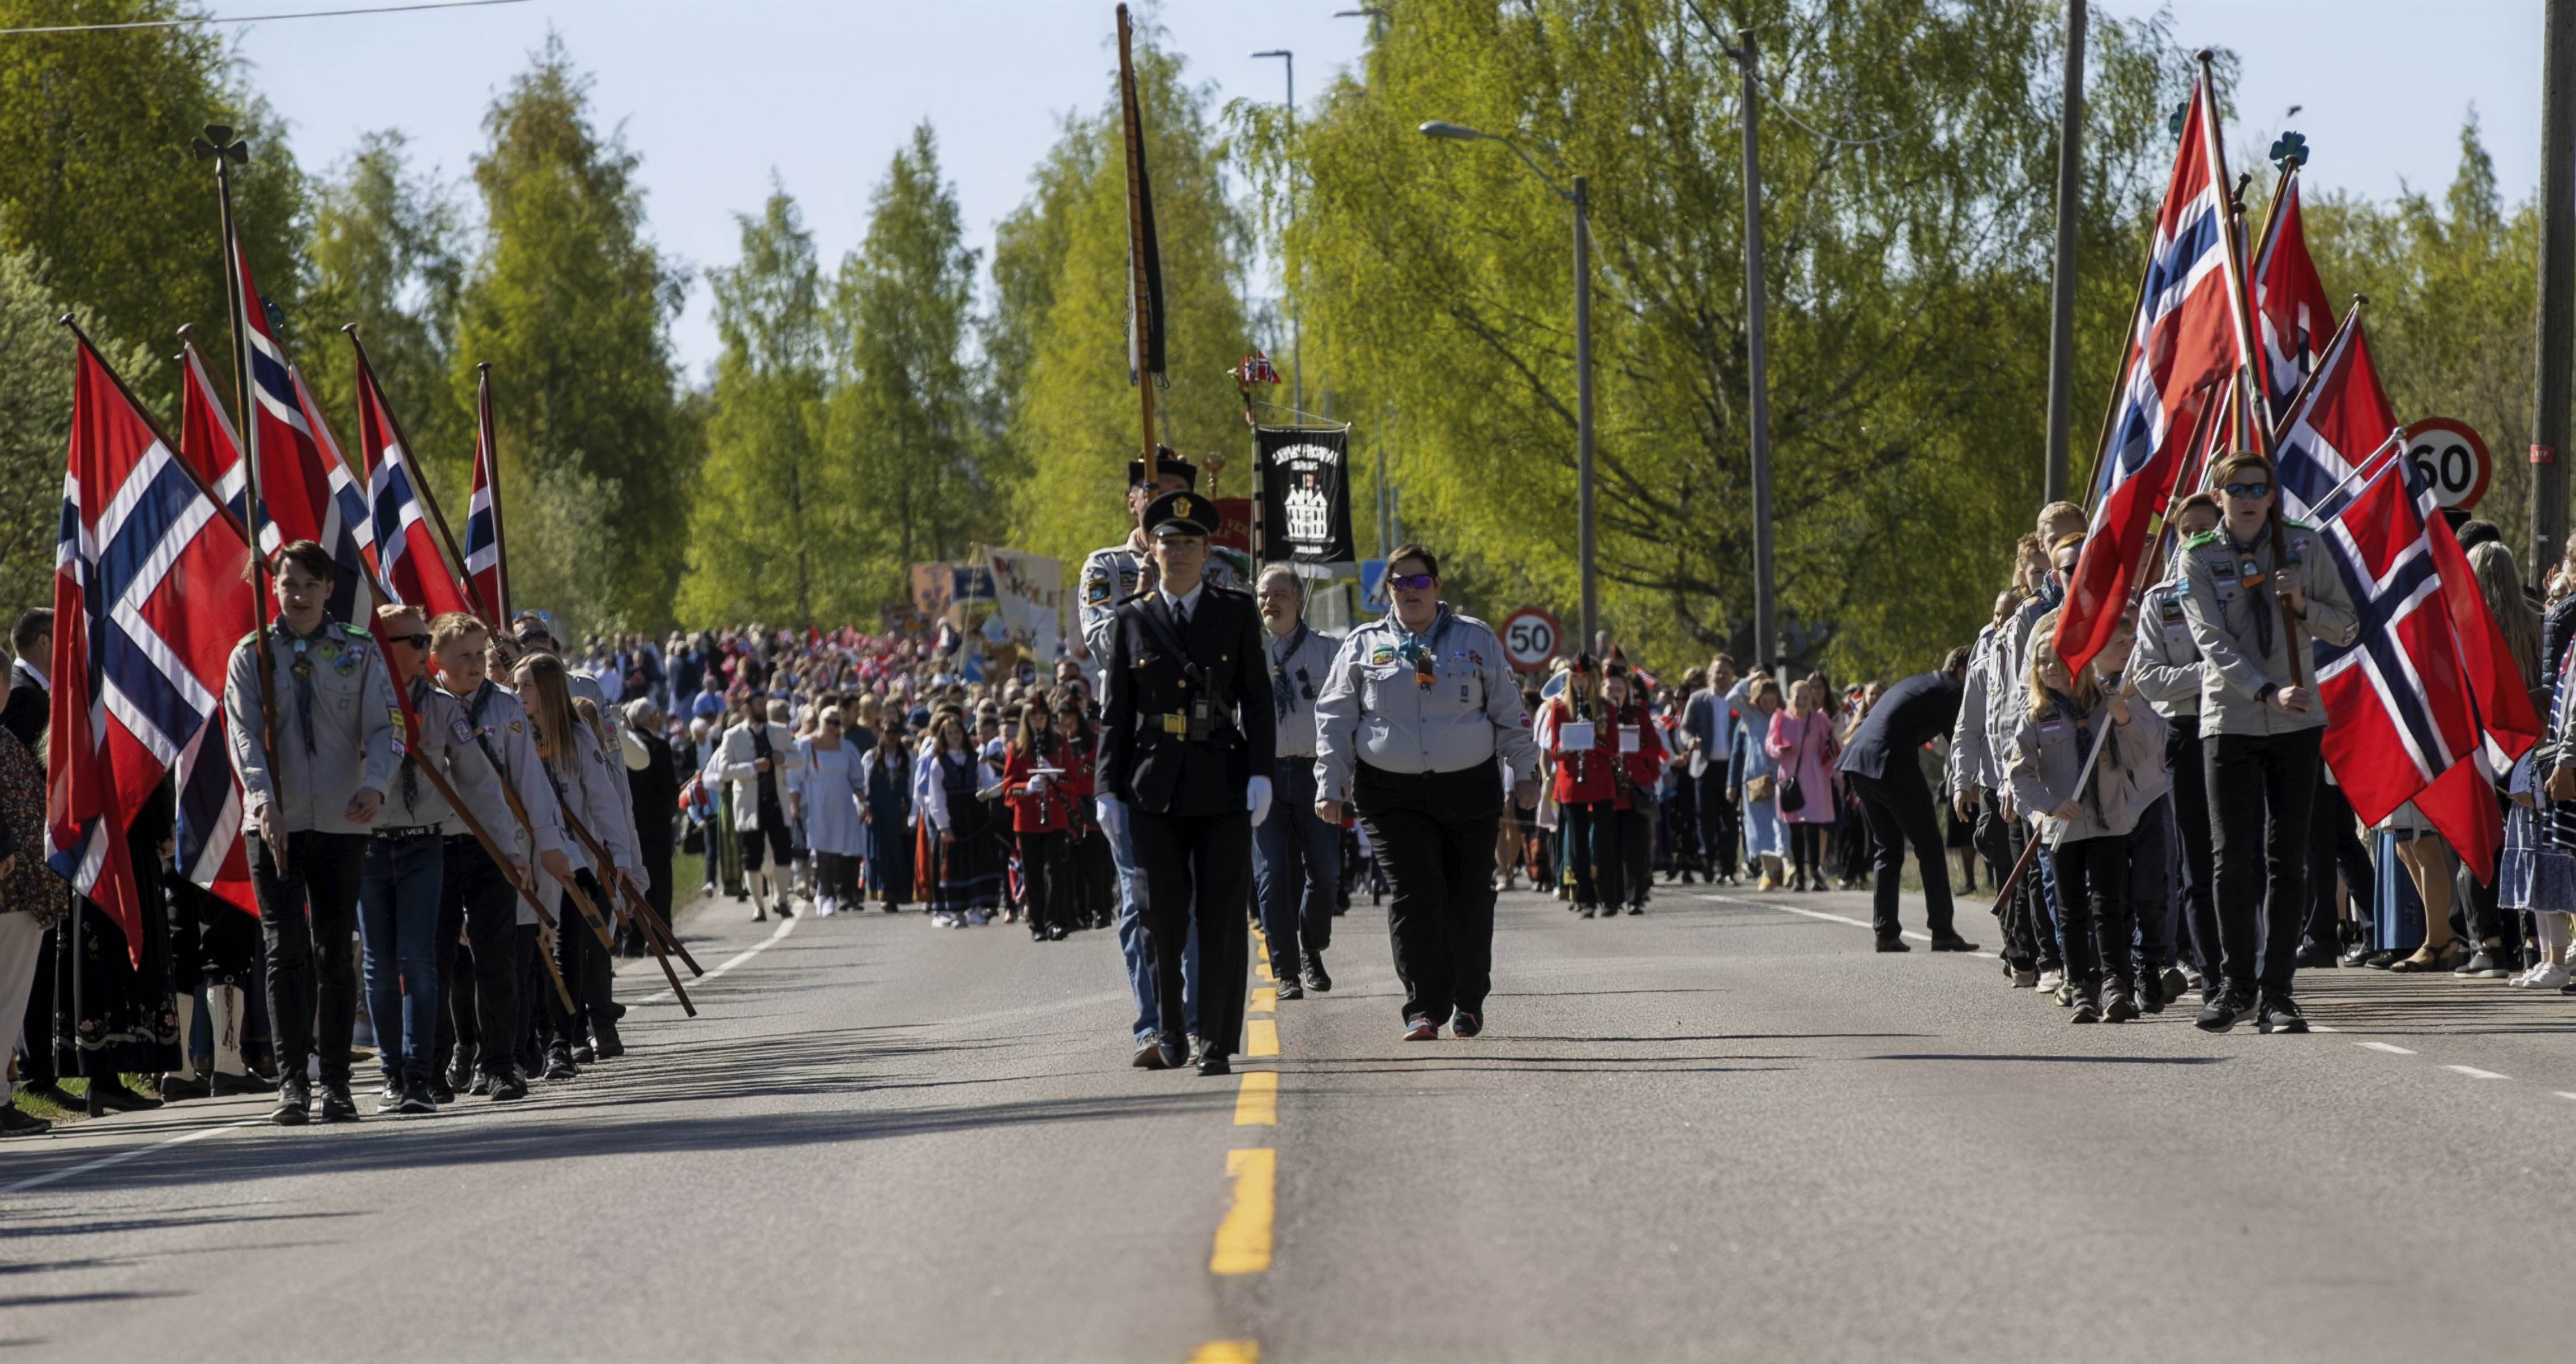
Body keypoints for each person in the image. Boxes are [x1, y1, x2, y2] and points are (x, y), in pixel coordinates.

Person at [1316, 542, 1538, 1039]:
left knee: (1468, 897)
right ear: (1388, 590)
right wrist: (1330, 784)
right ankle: (1422, 1006)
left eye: (1419, 581)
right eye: (1400, 582)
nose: (1410, 591)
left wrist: (1526, 771)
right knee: (1415, 893)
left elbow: (1509, 711)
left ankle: (1469, 999)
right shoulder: (1362, 644)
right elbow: (1334, 718)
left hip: (1469, 788)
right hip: (1389, 792)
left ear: (1437, 585)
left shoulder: (1476, 639)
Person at [2180, 450, 2359, 1034]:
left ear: (2273, 495)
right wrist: (2265, 691)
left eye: (2259, 488)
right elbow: (2211, 641)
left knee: (2290, 860)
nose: (2250, 499)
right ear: (2219, 497)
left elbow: (2347, 624)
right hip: (2231, 718)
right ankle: (2236, 985)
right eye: (2237, 489)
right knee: (2232, 858)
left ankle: (2279, 991)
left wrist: (2303, 605)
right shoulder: (2198, 554)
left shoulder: (2303, 544)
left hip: (2297, 724)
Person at [223, 541, 399, 1125]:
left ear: (328, 589)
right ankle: (292, 1082)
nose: (298, 595)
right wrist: (263, 799)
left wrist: (376, 784)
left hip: (342, 820)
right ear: (273, 587)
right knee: (284, 951)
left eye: (308, 584)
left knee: (333, 951)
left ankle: (338, 1084)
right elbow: (243, 734)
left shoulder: (358, 649)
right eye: (288, 584)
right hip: (275, 822)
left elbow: (386, 724)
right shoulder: (252, 653)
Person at [1101, 489, 1274, 1075]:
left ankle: (1216, 1040)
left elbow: (1258, 700)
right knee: (1161, 915)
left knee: (1221, 915)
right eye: (1168, 542)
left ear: (1206, 552)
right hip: (1153, 786)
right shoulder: (1131, 618)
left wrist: (1261, 772)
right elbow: (1116, 715)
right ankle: (1171, 1028)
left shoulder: (1235, 611)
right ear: (1152, 549)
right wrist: (1106, 790)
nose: (1178, 552)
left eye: (1189, 543)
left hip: (1223, 777)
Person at [1080, 451, 1235, 1058]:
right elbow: (1101, 643)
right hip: (1138, 747)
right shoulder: (1108, 567)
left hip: (1204, 743)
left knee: (1197, 894)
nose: (1161, 502)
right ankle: (1153, 1023)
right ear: (1133, 501)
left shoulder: (1216, 564)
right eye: (1151, 492)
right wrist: (1144, 596)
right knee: (1140, 895)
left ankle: (1195, 1019)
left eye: (1173, 491)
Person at [359, 604, 515, 1114]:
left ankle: (424, 1073)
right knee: (382, 967)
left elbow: (479, 781)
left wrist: (508, 849)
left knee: (423, 961)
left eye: (425, 641)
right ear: (381, 648)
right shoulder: (356, 701)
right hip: (370, 844)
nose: (423, 650)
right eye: (412, 642)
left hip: (427, 841)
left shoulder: (443, 708)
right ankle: (396, 1072)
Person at [428, 612, 570, 1103]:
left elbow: (530, 778)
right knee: (438, 960)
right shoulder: (427, 705)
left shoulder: (505, 706)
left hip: (494, 846)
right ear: (437, 661)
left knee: (497, 957)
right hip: (440, 843)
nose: (474, 664)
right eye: (462, 656)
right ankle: (432, 1068)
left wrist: (547, 844)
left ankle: (500, 1065)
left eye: (479, 655)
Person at [2007, 617, 2169, 1022]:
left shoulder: (2105, 703)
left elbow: (2138, 756)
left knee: (2109, 905)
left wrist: (2124, 716)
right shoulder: (2036, 715)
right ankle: (2081, 985)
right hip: (2063, 827)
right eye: (2042, 662)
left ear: (2076, 662)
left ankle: (2115, 984)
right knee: (2071, 910)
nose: (2049, 667)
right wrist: (2049, 804)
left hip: (2108, 820)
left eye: (2056, 659)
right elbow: (2020, 774)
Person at [514, 653, 639, 1073]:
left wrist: (620, 857)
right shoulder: (513, 732)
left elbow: (605, 801)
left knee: (567, 951)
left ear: (549, 690)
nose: (518, 694)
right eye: (516, 686)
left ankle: (562, 1043)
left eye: (527, 686)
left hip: (574, 860)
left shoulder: (578, 736)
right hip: (524, 858)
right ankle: (528, 1041)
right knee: (529, 955)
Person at [2130, 492, 2221, 999]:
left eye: (2207, 528)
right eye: (2188, 531)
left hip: (2240, 732)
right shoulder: (2160, 600)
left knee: (2244, 858)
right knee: (2195, 863)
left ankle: (2249, 967)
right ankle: (2209, 969)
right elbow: (2148, 677)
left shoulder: (2247, 587)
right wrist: (2216, 673)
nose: (2197, 539)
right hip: (2185, 734)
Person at [1838, 649, 1980, 952]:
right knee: (1929, 846)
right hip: (1890, 762)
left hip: (1859, 761)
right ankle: (1942, 930)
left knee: (1888, 847)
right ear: (1961, 671)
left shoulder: (1923, 682)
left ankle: (1886, 932)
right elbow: (1962, 740)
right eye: (1978, 670)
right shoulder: (1952, 690)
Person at [1252, 564, 1344, 997]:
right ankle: (1287, 970)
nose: (1269, 603)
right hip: (1265, 776)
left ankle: (1312, 947)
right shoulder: (1246, 652)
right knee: (1270, 876)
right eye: (1263, 595)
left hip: (1314, 773)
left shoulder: (1328, 651)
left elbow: (1346, 716)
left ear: (1298, 600)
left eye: (1279, 595)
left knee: (1325, 873)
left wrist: (1343, 774)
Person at [716, 688, 803, 922]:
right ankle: (758, 906)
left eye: (765, 704)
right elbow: (723, 771)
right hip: (750, 803)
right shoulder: (733, 736)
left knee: (783, 851)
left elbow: (798, 757)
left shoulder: (779, 731)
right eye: (758, 705)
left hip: (776, 801)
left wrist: (783, 759)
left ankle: (781, 900)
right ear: (746, 708)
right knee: (752, 856)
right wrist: (751, 767)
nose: (763, 709)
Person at [1000, 696, 1072, 941]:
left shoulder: (1060, 744)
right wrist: (1027, 787)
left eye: (1042, 717)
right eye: (1033, 718)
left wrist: (1055, 775)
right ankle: (1038, 925)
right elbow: (1008, 789)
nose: (1038, 722)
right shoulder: (1016, 748)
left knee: (1054, 871)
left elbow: (1073, 781)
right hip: (1028, 820)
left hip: (1055, 817)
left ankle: (1056, 922)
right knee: (1032, 874)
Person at [1766, 677, 1840, 892]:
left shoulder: (1820, 719)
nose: (1801, 701)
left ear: (1812, 699)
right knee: (1796, 829)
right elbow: (1770, 743)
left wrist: (1836, 771)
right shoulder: (1781, 719)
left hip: (1816, 778)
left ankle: (1816, 874)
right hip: (1791, 779)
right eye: (1797, 697)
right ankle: (1800, 876)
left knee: (1813, 828)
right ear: (1790, 698)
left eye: (1806, 698)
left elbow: (1830, 746)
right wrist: (1779, 750)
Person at [1605, 664, 1666, 914]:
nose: (1615, 693)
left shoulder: (1638, 715)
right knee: (1610, 846)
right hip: (1606, 790)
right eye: (1610, 689)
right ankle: (1613, 896)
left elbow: (1656, 748)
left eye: (1620, 689)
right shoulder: (1596, 716)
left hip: (1634, 789)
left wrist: (1634, 748)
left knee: (1636, 846)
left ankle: (1634, 897)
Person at [794, 705, 865, 917]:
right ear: (820, 721)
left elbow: (857, 778)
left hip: (841, 802)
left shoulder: (847, 747)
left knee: (836, 854)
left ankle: (825, 891)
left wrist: (863, 802)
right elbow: (795, 777)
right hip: (815, 802)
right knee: (822, 851)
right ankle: (827, 895)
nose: (833, 726)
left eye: (837, 722)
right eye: (829, 721)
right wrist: (794, 803)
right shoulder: (806, 745)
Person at [1681, 655, 1743, 885]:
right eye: (1718, 672)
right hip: (1705, 767)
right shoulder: (1699, 699)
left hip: (1731, 769)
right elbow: (1685, 729)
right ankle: (1707, 860)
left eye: (1726, 673)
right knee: (1705, 819)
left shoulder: (1738, 700)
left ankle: (1728, 868)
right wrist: (1690, 742)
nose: (1721, 677)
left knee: (1730, 819)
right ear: (1709, 676)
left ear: (1732, 676)